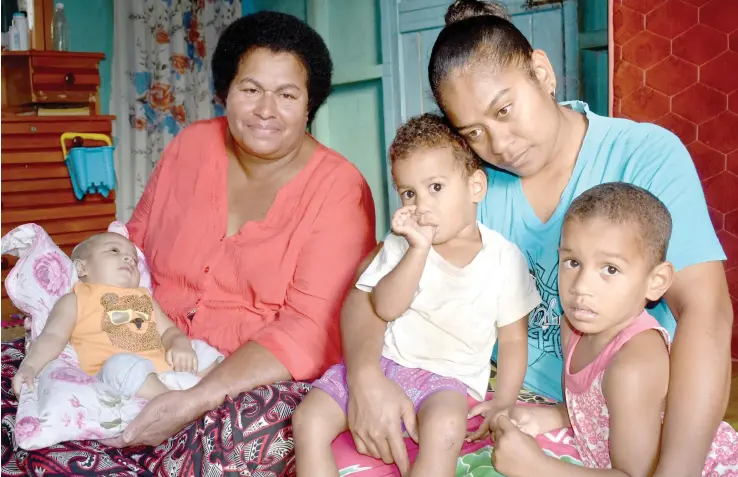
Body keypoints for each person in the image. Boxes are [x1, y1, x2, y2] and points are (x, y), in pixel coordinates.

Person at [340, 1, 733, 476]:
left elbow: (706, 312)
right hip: (511, 403)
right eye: (475, 132)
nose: (500, 143)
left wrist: (679, 470)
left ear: (542, 73)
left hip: (625, 413)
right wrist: (363, 377)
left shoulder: (644, 156)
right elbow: (371, 282)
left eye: (505, 110)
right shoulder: (475, 183)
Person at [3, 11, 376, 477]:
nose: (266, 110)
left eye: (286, 95)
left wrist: (196, 398)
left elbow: (310, 330)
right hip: (145, 340)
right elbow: (131, 250)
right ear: (224, 92)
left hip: (249, 375)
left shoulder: (339, 189)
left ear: (309, 104)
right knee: (17, 373)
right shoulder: (191, 146)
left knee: (242, 435)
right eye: (250, 89)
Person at [293, 113, 539, 477]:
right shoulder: (402, 246)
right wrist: (418, 252)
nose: (422, 205)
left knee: (445, 431)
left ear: (475, 187)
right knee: (307, 419)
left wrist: (503, 400)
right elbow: (385, 306)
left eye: (436, 187)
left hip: (446, 380)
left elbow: (514, 338)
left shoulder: (504, 259)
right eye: (410, 193)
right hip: (385, 363)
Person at [491, 182, 738, 477]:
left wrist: (538, 468)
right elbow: (595, 410)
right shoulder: (575, 326)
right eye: (572, 262)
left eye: (610, 269)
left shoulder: (632, 366)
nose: (581, 287)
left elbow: (638, 475)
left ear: (656, 281)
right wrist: (551, 416)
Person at [11, 232, 223, 404]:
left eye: (132, 258)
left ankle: (213, 391)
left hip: (167, 371)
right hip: (120, 377)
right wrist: (30, 367)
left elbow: (169, 331)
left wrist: (180, 345)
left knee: (199, 348)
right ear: (82, 267)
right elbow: (52, 337)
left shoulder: (144, 298)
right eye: (114, 250)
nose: (128, 258)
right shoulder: (76, 299)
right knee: (120, 364)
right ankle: (175, 403)